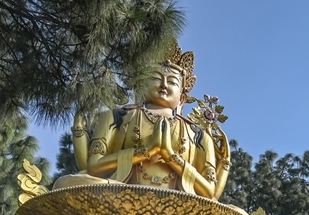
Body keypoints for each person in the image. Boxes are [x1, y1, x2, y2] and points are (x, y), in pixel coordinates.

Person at [53, 43, 228, 200]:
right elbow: (93, 167)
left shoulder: (197, 135)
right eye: (155, 78)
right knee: (66, 183)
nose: (163, 85)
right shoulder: (117, 117)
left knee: (235, 213)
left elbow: (209, 192)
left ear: (182, 96)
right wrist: (147, 151)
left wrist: (169, 155)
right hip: (123, 193)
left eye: (172, 81)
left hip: (180, 200)